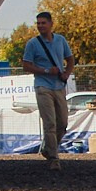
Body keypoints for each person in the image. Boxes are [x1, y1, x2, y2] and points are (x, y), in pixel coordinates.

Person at [19, 11, 74, 164]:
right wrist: (45, 71)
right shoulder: (33, 44)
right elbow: (26, 65)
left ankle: (48, 148)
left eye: (43, 23)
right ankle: (54, 158)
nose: (40, 26)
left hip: (59, 86)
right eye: (38, 23)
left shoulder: (60, 40)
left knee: (62, 123)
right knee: (50, 122)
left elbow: (70, 59)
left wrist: (67, 73)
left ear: (51, 24)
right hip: (43, 86)